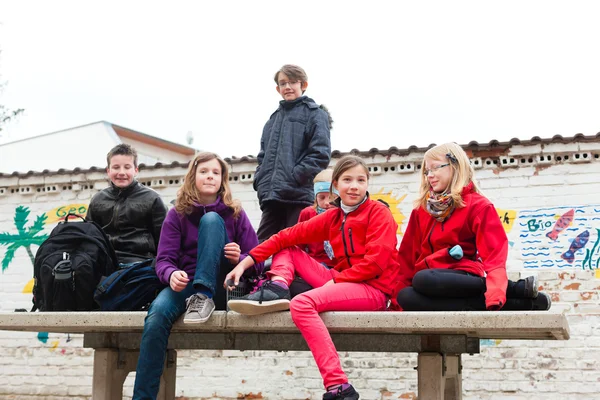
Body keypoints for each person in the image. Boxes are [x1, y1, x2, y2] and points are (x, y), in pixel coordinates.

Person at [226, 155, 400, 400]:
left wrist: (337, 281)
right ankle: (277, 285)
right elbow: (284, 236)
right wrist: (245, 263)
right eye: (347, 179)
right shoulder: (333, 217)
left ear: (367, 184)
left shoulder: (378, 213)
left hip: (374, 289)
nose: (354, 186)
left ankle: (339, 387)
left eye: (361, 180)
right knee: (287, 247)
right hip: (342, 280)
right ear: (335, 185)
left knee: (302, 303)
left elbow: (375, 263)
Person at [132, 152, 260, 400]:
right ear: (193, 176)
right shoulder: (177, 214)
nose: (210, 176)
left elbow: (258, 258)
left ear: (222, 179)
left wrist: (240, 259)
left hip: (224, 287)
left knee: (211, 220)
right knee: (156, 315)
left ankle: (205, 294)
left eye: (215, 172)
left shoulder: (235, 213)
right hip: (186, 288)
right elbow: (164, 260)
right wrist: (171, 275)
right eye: (204, 172)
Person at [394, 142, 551, 311]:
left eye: (435, 168)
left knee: (423, 279)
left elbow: (494, 256)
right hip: (431, 283)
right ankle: (521, 299)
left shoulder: (478, 206)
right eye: (426, 171)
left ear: (455, 166)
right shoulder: (421, 211)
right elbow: (407, 257)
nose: (429, 176)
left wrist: (496, 292)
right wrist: (394, 305)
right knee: (405, 296)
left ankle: (510, 288)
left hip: (460, 276)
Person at [253, 64, 332, 242]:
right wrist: (260, 180)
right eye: (283, 83)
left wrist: (295, 177)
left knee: (294, 247)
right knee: (259, 249)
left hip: (298, 197)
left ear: (303, 85)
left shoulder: (315, 114)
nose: (287, 87)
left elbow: (320, 154)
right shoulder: (272, 120)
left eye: (292, 82)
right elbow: (262, 157)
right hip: (271, 197)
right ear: (277, 88)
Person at [86, 143, 167, 263]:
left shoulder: (152, 199)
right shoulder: (98, 199)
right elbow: (89, 236)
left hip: (141, 262)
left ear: (136, 170)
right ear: (108, 171)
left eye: (127, 167)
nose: (121, 172)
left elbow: (164, 239)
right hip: (104, 262)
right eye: (116, 167)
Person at [290, 168, 339, 297]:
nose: (327, 202)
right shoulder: (308, 213)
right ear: (315, 198)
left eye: (332, 197)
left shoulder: (345, 215)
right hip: (315, 265)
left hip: (339, 269)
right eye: (321, 197)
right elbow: (298, 243)